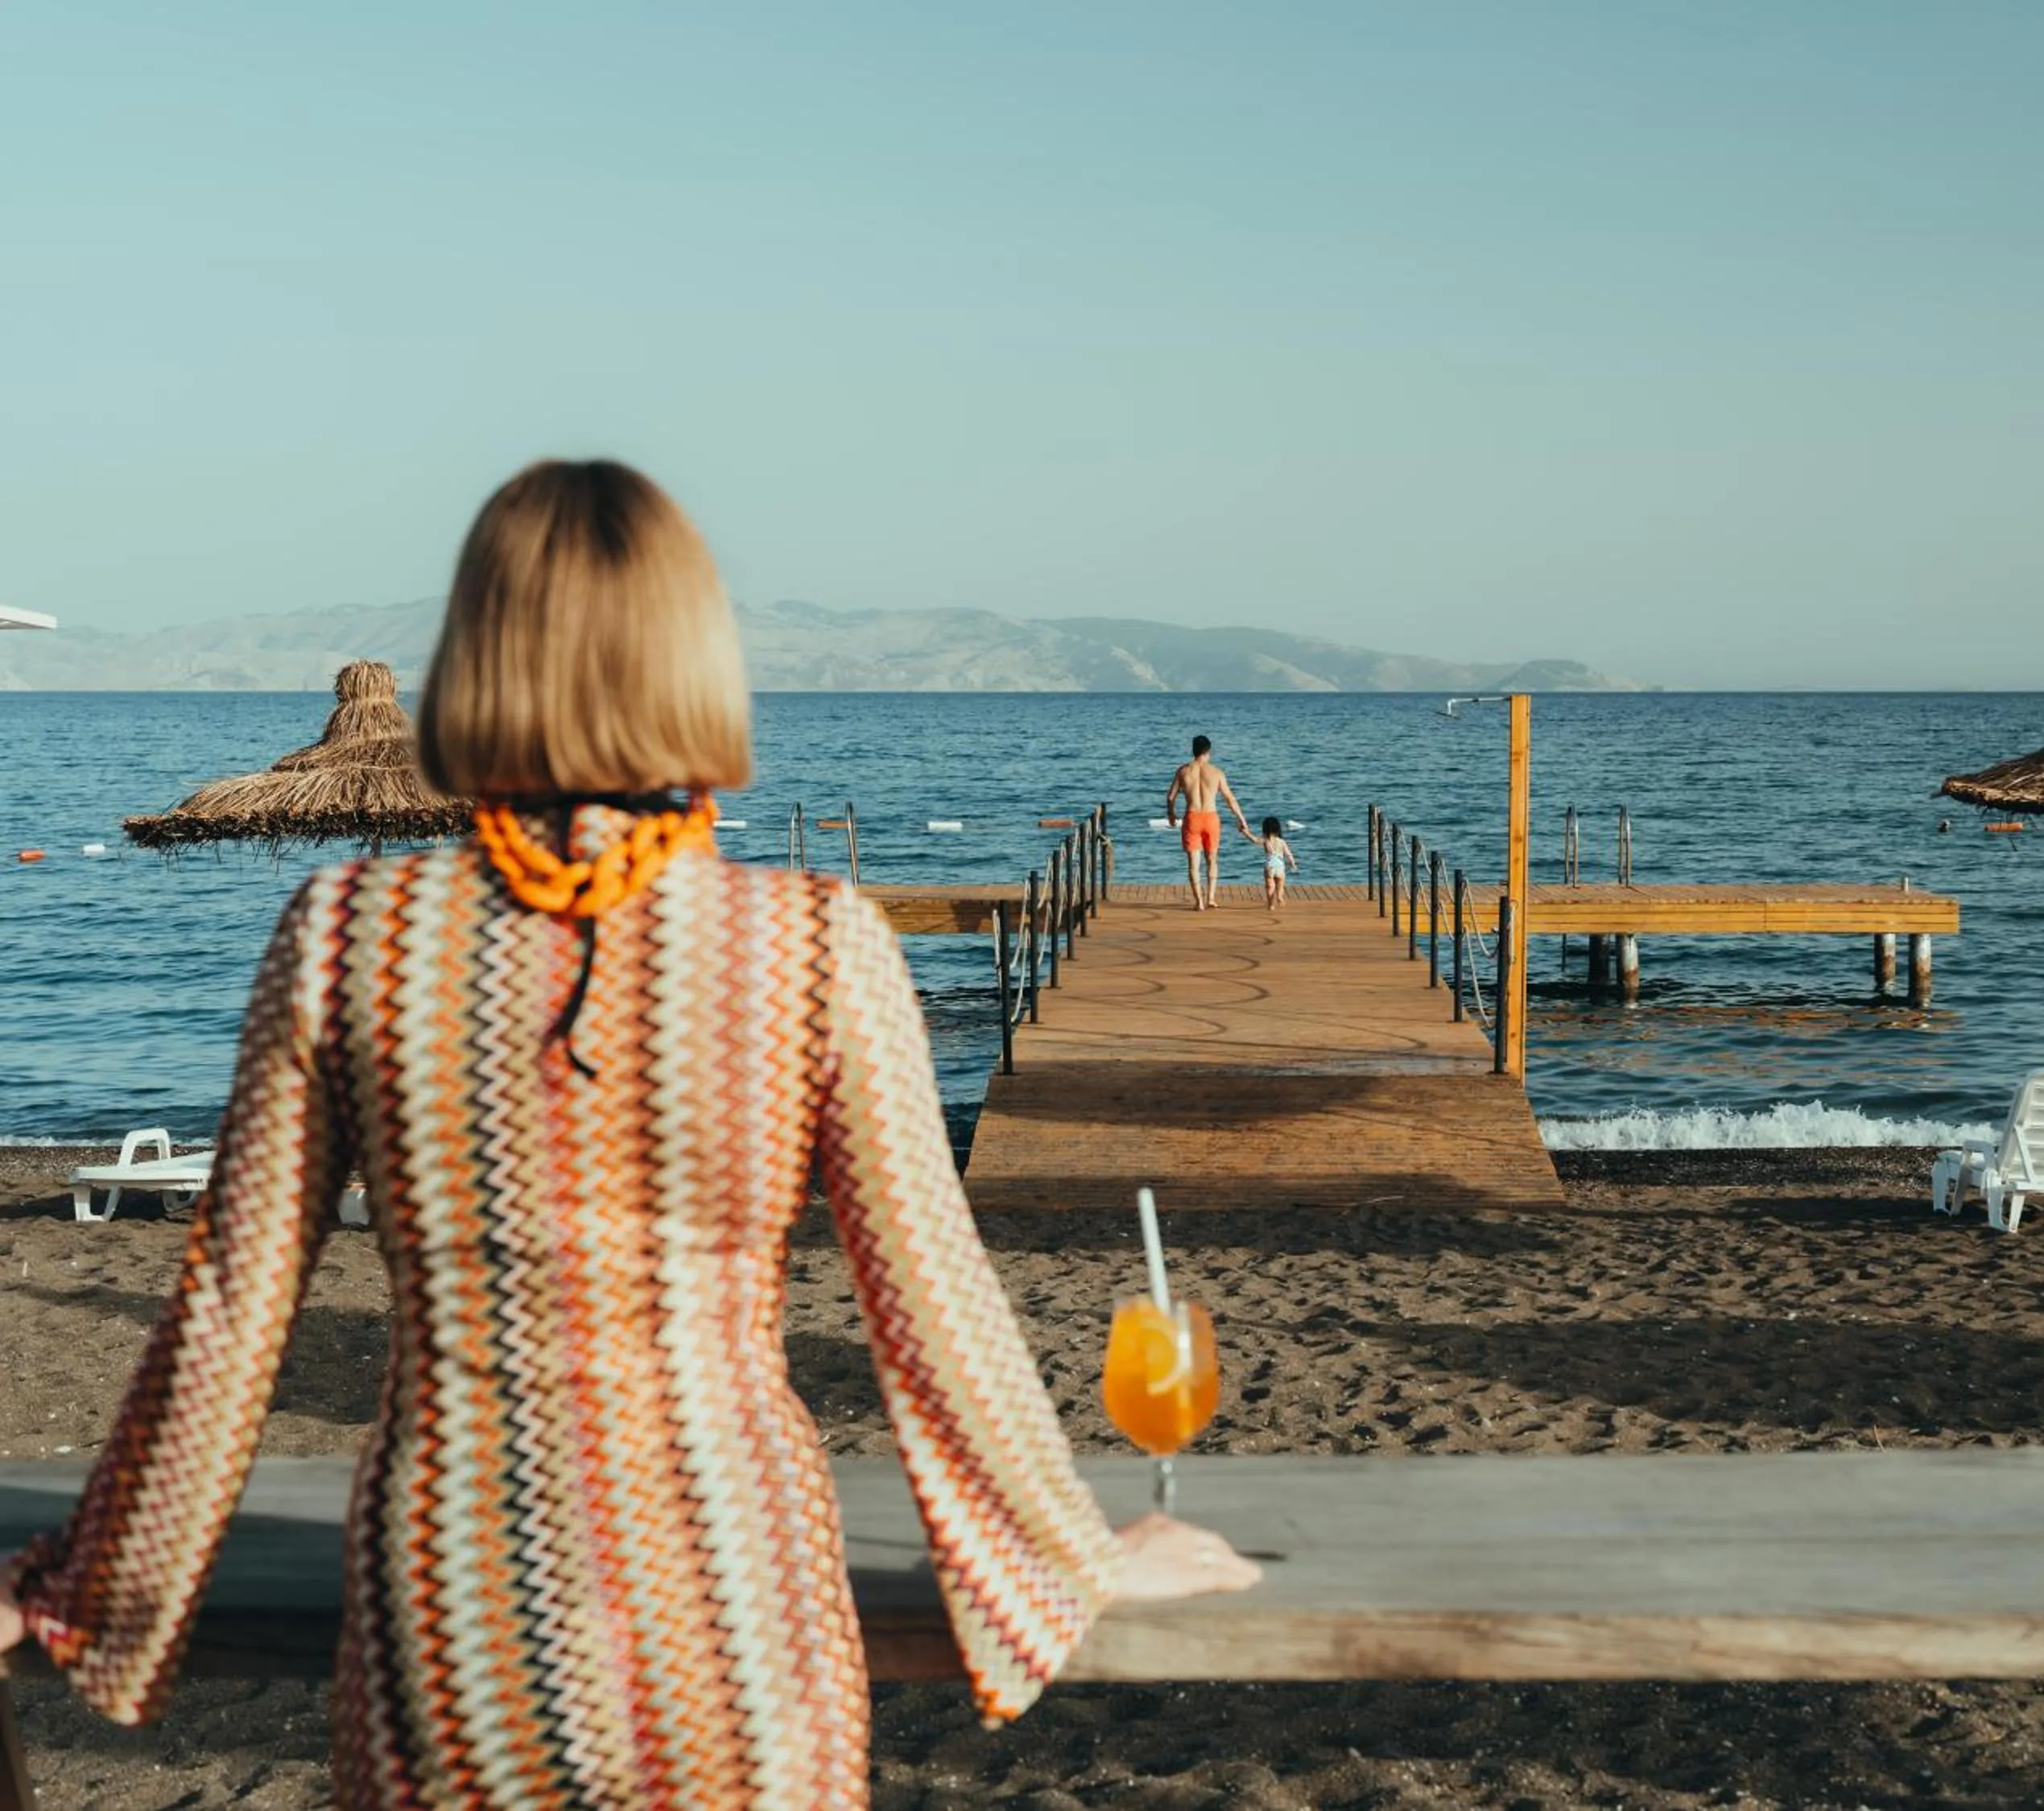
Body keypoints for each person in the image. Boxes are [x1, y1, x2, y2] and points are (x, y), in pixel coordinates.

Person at [0, 460, 1256, 1809]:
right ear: (695, 655)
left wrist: (78, 1583)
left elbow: (230, 1309)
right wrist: (1069, 1558)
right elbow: (932, 1305)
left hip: (451, 1604)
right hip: (737, 1605)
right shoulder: (815, 947)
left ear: (476, 652)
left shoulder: (350, 936)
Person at [1166, 733, 1253, 910]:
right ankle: (1211, 898)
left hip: (1192, 818)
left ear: (1193, 751)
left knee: (1193, 863)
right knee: (1212, 859)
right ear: (1208, 752)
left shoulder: (1183, 771)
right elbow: (1230, 799)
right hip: (1211, 818)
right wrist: (1241, 818)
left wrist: (1171, 815)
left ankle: (1199, 902)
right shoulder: (1217, 773)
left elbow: (1170, 797)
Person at [1258, 815, 1302, 913]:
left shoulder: (1266, 840)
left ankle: (1271, 905)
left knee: (1270, 886)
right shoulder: (1282, 842)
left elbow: (1254, 840)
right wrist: (1293, 864)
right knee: (1280, 885)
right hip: (1280, 867)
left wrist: (1245, 832)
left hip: (1270, 866)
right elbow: (1288, 854)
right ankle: (1279, 897)